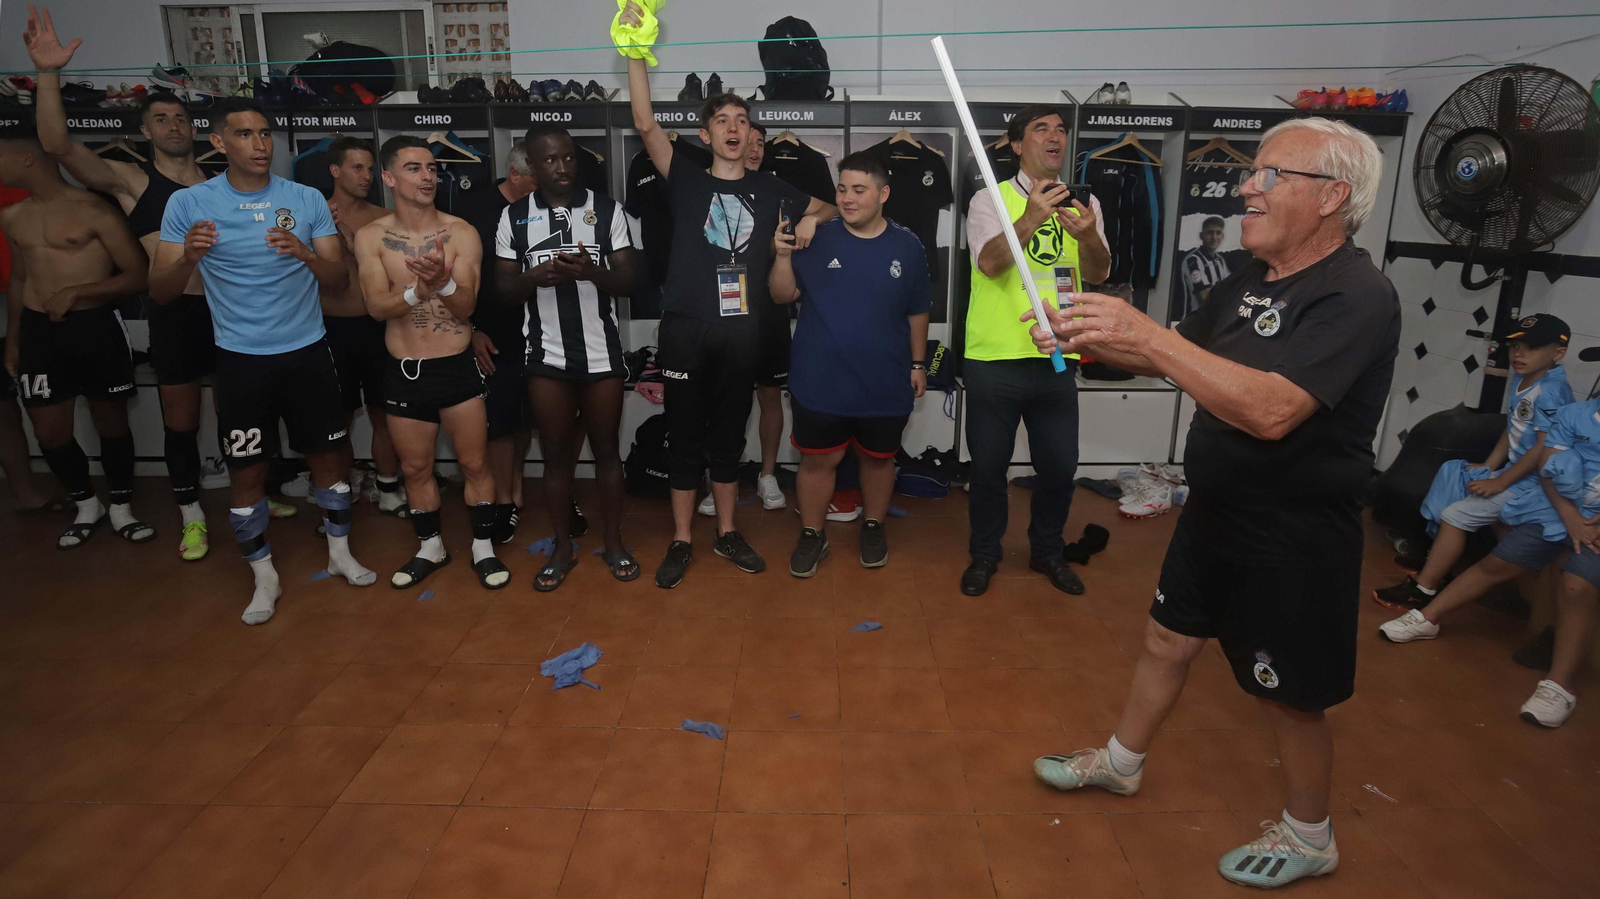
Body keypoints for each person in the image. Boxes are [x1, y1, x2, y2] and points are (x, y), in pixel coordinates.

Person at [1025, 118, 1398, 888]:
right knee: (1167, 639)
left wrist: (1149, 339)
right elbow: (1174, 350)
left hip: (1293, 535)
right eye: (1252, 171)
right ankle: (1122, 763)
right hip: (1215, 510)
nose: (1244, 186)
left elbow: (1270, 409)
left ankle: (1310, 834)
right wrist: (1086, 334)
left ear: (1331, 196)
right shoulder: (1246, 277)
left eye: (1268, 175)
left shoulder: (1357, 295)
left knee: (1291, 697)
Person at [622, 5, 837, 589]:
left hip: (742, 330)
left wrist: (809, 225)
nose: (734, 127)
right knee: (684, 434)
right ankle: (682, 538)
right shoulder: (687, 177)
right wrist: (637, 54)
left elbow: (831, 209)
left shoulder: (772, 189)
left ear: (751, 133)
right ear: (707, 133)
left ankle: (725, 533)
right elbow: (644, 123)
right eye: (723, 120)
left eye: (742, 119)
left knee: (728, 436)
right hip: (686, 327)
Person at [151, 98, 376, 625]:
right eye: (245, 134)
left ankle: (340, 554)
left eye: (264, 133)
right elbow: (158, 293)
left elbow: (339, 280)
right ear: (219, 143)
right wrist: (187, 257)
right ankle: (263, 576)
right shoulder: (190, 204)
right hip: (240, 361)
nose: (259, 144)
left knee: (328, 461)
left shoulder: (302, 198)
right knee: (247, 472)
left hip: (308, 352)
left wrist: (304, 254)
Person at [25, 6, 219, 559]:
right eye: (161, 119)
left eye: (180, 118)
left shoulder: (219, 182)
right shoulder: (134, 180)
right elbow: (59, 147)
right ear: (145, 130)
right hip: (176, 312)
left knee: (241, 411)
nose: (174, 126)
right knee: (181, 422)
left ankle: (260, 492)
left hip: (230, 314)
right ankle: (189, 514)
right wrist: (47, 74)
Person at [1377, 384, 1597, 727]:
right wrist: (1572, 519)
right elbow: (1549, 469)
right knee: (1497, 563)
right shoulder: (1576, 415)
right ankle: (1428, 617)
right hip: (1558, 511)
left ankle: (1559, 686)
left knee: (1575, 587)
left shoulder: (1555, 393)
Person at [961, 103, 1111, 597]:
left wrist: (1088, 235)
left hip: (1058, 357)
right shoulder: (990, 200)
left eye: (1061, 129)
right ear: (1017, 144)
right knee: (987, 469)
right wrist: (1028, 218)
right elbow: (989, 263)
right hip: (995, 359)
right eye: (1040, 128)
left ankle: (1047, 552)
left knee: (1059, 468)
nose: (1054, 136)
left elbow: (1099, 273)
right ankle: (985, 554)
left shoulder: (1084, 203)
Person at [354, 136, 504, 590]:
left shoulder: (460, 232)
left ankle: (484, 548)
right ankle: (430, 547)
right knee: (416, 469)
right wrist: (416, 292)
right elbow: (377, 308)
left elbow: (467, 305)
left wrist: (439, 286)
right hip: (404, 369)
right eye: (415, 168)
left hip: (455, 365)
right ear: (389, 177)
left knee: (474, 465)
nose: (427, 177)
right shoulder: (372, 237)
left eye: (432, 169)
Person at [769, 151, 928, 576]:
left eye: (859, 190)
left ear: (883, 193)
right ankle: (811, 534)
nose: (848, 198)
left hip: (885, 380)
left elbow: (917, 311)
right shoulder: (815, 237)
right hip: (820, 378)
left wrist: (918, 362)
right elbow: (782, 296)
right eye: (842, 189)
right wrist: (782, 257)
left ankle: (873, 525)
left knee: (878, 459)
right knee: (819, 460)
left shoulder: (908, 246)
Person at [495, 126, 639, 589]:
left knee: (607, 453)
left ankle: (614, 542)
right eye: (550, 161)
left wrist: (591, 271)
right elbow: (502, 290)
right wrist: (533, 277)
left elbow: (630, 283)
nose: (562, 168)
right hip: (546, 357)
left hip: (601, 356)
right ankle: (562, 547)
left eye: (568, 158)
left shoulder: (607, 209)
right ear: (531, 168)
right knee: (556, 458)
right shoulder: (514, 218)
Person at [1, 126, 155, 550]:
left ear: (28, 158)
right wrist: (13, 338)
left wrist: (79, 292)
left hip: (95, 327)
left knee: (111, 423)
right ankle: (86, 503)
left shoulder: (94, 211)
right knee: (48, 431)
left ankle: (122, 505)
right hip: (38, 333)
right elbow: (18, 280)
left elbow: (138, 274)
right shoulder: (13, 216)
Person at [1374, 315, 1570, 611]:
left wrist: (1500, 481)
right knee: (1455, 474)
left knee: (1456, 514)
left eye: (1530, 348)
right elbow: (1512, 428)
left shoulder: (1551, 391)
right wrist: (1490, 466)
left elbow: (1544, 448)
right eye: (1514, 346)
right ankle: (1435, 559)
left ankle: (1425, 588)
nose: (1518, 354)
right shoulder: (1523, 377)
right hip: (1514, 474)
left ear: (1558, 353)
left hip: (1535, 484)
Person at [320, 136, 406, 516]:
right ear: (335, 171)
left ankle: (387, 486)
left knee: (383, 412)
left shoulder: (382, 219)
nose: (367, 176)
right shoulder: (314, 213)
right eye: (357, 167)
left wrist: (358, 247)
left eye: (370, 168)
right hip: (328, 329)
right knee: (335, 418)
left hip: (375, 328)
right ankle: (339, 493)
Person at [461, 139, 536, 544]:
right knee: (501, 423)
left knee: (532, 417)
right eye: (535, 180)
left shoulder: (544, 208)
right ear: (515, 175)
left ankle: (517, 484)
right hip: (493, 335)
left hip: (541, 333)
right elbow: (456, 280)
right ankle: (504, 502)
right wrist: (470, 329)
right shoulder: (476, 212)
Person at [0, 180, 64, 514]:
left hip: (25, 307)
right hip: (22, 306)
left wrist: (13, 337)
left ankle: (29, 493)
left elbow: (21, 276)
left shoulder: (17, 186)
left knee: (15, 411)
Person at [1179, 215, 1231, 318]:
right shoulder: (1194, 260)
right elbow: (1204, 296)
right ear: (1201, 235)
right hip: (1194, 323)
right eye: (1210, 233)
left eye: (1218, 233)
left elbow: (1231, 286)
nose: (1214, 238)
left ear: (1223, 236)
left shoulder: (1219, 260)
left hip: (1213, 322)